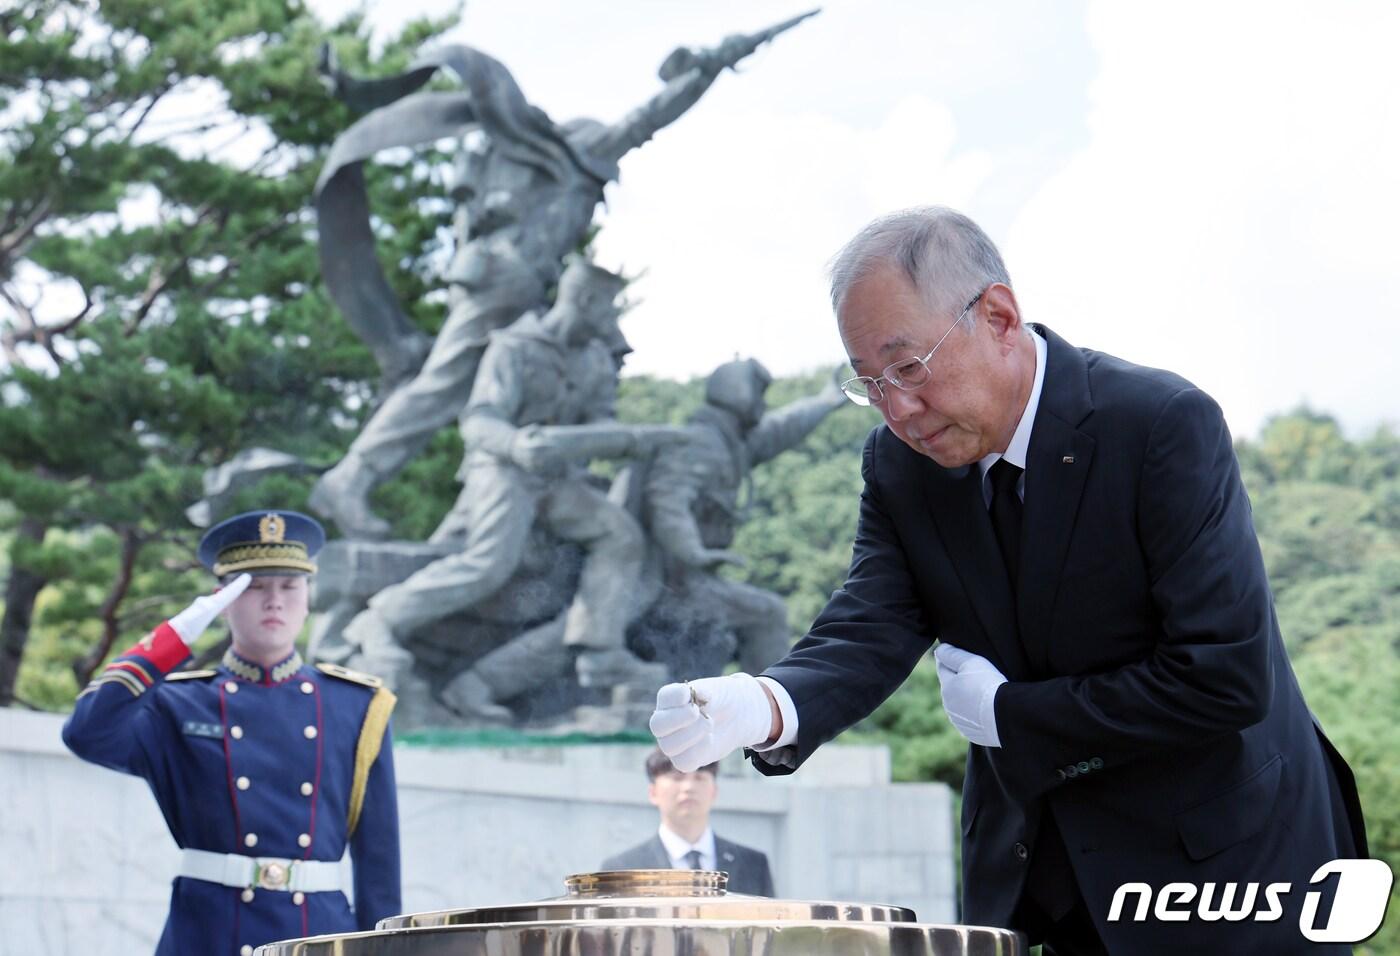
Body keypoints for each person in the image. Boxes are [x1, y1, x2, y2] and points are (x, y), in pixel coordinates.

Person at [649, 207, 1367, 954]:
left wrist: (1013, 718)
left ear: (997, 315)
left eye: (908, 368)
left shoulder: (1158, 426)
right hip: (1039, 878)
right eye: (870, 383)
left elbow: (1224, 677)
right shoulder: (900, 466)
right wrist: (767, 703)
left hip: (1226, 867)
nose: (898, 410)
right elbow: (874, 619)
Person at [63, 510, 401, 956]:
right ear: (222, 599)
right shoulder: (176, 704)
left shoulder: (358, 706)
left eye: (289, 585)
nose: (274, 601)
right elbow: (86, 733)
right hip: (206, 934)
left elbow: (378, 864)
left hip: (317, 934)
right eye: (255, 586)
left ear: (307, 597)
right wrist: (174, 637)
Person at [340, 258, 676, 694]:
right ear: (587, 301)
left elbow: (600, 424)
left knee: (621, 535)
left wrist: (620, 443)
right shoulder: (514, 346)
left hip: (556, 482)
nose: (614, 319)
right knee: (489, 565)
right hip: (502, 470)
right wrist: (516, 444)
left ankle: (600, 652)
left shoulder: (594, 361)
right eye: (609, 307)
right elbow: (479, 421)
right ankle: (380, 619)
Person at [600, 748, 775, 897]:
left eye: (699, 777)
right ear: (653, 792)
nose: (689, 787)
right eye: (677, 777)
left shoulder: (753, 864)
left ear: (714, 791)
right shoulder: (621, 870)